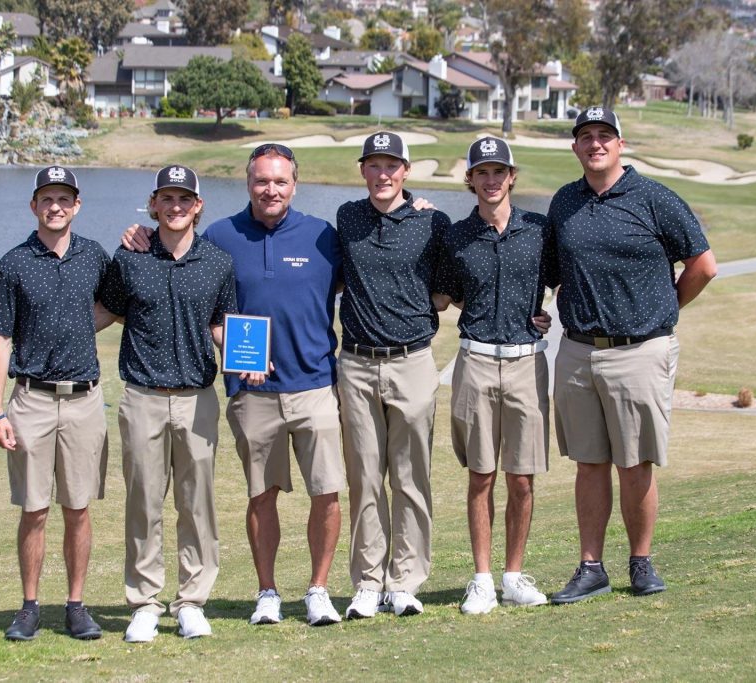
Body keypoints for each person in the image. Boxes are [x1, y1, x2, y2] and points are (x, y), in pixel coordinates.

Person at [122, 145, 347, 627]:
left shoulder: (324, 237)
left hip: (314, 384)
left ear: (295, 184)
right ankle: (267, 592)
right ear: (248, 183)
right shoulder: (220, 237)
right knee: (261, 495)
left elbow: (366, 278)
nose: (271, 189)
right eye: (262, 180)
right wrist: (140, 235)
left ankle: (318, 590)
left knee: (326, 492)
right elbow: (187, 279)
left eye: (281, 181)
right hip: (251, 394)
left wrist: (418, 206)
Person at [543, 107, 718, 604]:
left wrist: (663, 310)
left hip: (640, 350)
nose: (595, 143)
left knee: (635, 462)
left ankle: (641, 563)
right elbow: (554, 271)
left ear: (621, 144)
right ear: (575, 147)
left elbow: (703, 266)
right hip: (577, 350)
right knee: (589, 462)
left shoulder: (654, 198)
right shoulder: (565, 202)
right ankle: (591, 567)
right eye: (585, 137)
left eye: (604, 136)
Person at [98, 165, 237, 641]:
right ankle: (144, 602)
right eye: (167, 199)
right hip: (142, 396)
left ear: (198, 205)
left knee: (197, 504)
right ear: (153, 204)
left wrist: (248, 358)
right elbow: (104, 311)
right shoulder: (129, 257)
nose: (176, 207)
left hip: (197, 398)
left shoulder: (218, 262)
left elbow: (223, 324)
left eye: (185, 199)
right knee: (144, 503)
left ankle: (193, 600)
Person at [0, 166, 109, 641]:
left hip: (84, 400)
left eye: (64, 198)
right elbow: (0, 338)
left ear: (77, 205)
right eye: (47, 199)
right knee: (34, 509)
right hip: (30, 399)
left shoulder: (95, 257)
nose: (56, 206)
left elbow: (115, 302)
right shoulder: (12, 263)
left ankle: (76, 606)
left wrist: (78, 326)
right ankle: (30, 606)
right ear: (33, 206)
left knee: (78, 507)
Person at [336, 131, 452, 618]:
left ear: (405, 171)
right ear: (363, 170)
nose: (383, 174)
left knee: (410, 477)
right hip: (357, 364)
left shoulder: (432, 221)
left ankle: (405, 580)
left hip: (412, 362)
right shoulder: (347, 217)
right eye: (374, 165)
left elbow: (445, 292)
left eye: (392, 166)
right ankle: (368, 580)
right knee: (363, 478)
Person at [435, 137, 552, 614]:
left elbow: (571, 277)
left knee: (521, 478)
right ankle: (481, 578)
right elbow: (446, 295)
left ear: (511, 175)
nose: (491, 180)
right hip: (476, 361)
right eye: (481, 172)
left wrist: (547, 315)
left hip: (528, 362)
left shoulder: (540, 230)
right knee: (481, 475)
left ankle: (512, 575)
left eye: (498, 171)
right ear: (471, 179)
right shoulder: (456, 237)